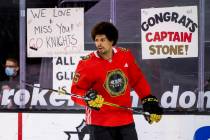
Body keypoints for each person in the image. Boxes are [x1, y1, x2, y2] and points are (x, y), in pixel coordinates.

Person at [71, 21, 163, 140]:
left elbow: (138, 80)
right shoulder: (86, 63)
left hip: (125, 120)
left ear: (112, 41)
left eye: (102, 40)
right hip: (99, 123)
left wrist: (147, 99)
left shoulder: (125, 55)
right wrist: (88, 99)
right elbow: (75, 92)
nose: (99, 44)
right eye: (96, 40)